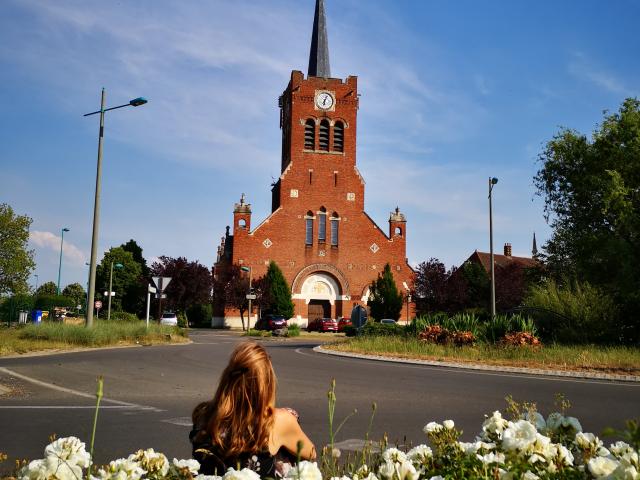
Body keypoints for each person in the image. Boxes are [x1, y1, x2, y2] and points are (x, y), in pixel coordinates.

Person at [190, 341, 316, 477]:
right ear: (267, 385)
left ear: (227, 377)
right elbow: (310, 453)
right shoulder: (276, 421)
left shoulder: (204, 415)